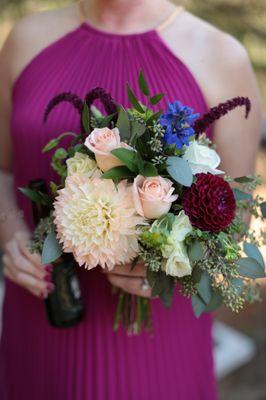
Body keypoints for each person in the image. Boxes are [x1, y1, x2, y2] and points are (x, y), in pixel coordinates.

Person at [0, 0, 261, 399]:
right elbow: (2, 169)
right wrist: (11, 235)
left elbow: (235, 212)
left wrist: (169, 259)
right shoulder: (26, 40)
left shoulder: (220, 55)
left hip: (156, 344)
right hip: (40, 315)